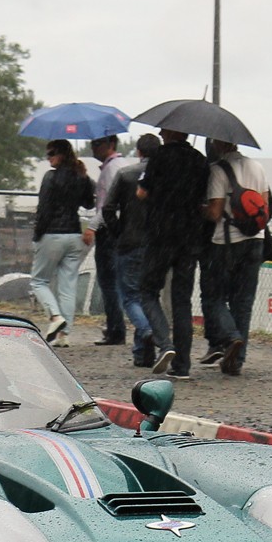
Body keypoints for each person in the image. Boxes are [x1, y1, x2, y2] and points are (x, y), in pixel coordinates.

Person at [136, 129, 208, 377]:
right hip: (190, 237)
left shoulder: (158, 156)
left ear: (168, 133)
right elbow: (203, 199)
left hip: (160, 234)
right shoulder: (200, 160)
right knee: (182, 300)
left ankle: (164, 343)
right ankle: (183, 366)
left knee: (147, 290)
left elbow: (142, 192)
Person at [200, 137, 271, 376]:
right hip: (256, 240)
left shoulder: (217, 170)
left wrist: (201, 208)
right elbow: (266, 207)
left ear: (219, 145)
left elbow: (215, 212)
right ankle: (236, 361)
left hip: (226, 242)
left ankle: (231, 337)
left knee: (214, 296)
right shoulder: (257, 167)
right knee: (244, 301)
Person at [102, 132, 159, 367]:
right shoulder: (164, 178)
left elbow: (108, 209)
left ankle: (146, 330)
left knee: (130, 297)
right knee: (149, 295)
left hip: (129, 243)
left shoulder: (125, 174)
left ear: (138, 151)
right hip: (155, 244)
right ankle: (142, 354)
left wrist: (118, 232)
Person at [29, 140, 93, 345]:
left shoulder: (51, 177)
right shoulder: (81, 176)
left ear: (62, 154)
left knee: (39, 281)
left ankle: (55, 317)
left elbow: (44, 209)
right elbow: (89, 202)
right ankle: (64, 335)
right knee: (68, 285)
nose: (48, 157)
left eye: (51, 153)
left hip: (52, 233)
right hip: (75, 235)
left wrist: (37, 234)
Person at [84, 134, 128, 345]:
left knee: (108, 282)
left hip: (108, 229)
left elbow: (109, 203)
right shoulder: (113, 167)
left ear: (111, 145)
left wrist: (92, 226)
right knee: (111, 282)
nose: (94, 148)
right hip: (113, 228)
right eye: (93, 144)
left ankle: (116, 329)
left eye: (98, 144)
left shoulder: (112, 168)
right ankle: (114, 326)